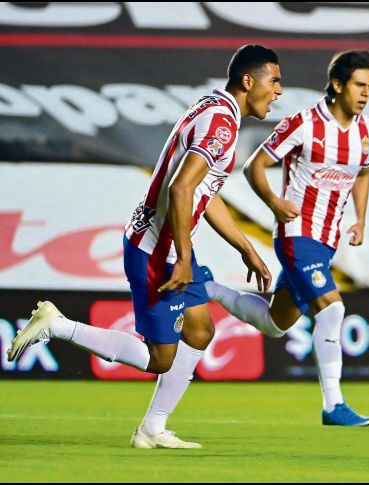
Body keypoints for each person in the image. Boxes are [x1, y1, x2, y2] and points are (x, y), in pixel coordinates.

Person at [6, 44, 282, 449]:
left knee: (201, 330)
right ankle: (57, 325)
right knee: (160, 358)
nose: (278, 91)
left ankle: (153, 428)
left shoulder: (212, 107)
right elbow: (181, 186)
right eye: (274, 81)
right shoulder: (222, 125)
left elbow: (205, 190)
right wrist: (185, 259)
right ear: (248, 81)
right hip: (159, 250)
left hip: (166, 242)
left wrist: (245, 247)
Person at [202, 50, 369, 426]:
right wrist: (274, 203)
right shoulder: (304, 124)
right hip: (298, 235)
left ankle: (210, 289)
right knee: (332, 308)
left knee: (274, 323)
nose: (365, 93)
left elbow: (362, 173)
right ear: (337, 84)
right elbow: (255, 165)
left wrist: (361, 219)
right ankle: (333, 405)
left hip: (327, 239)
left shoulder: (368, 131)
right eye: (359, 85)